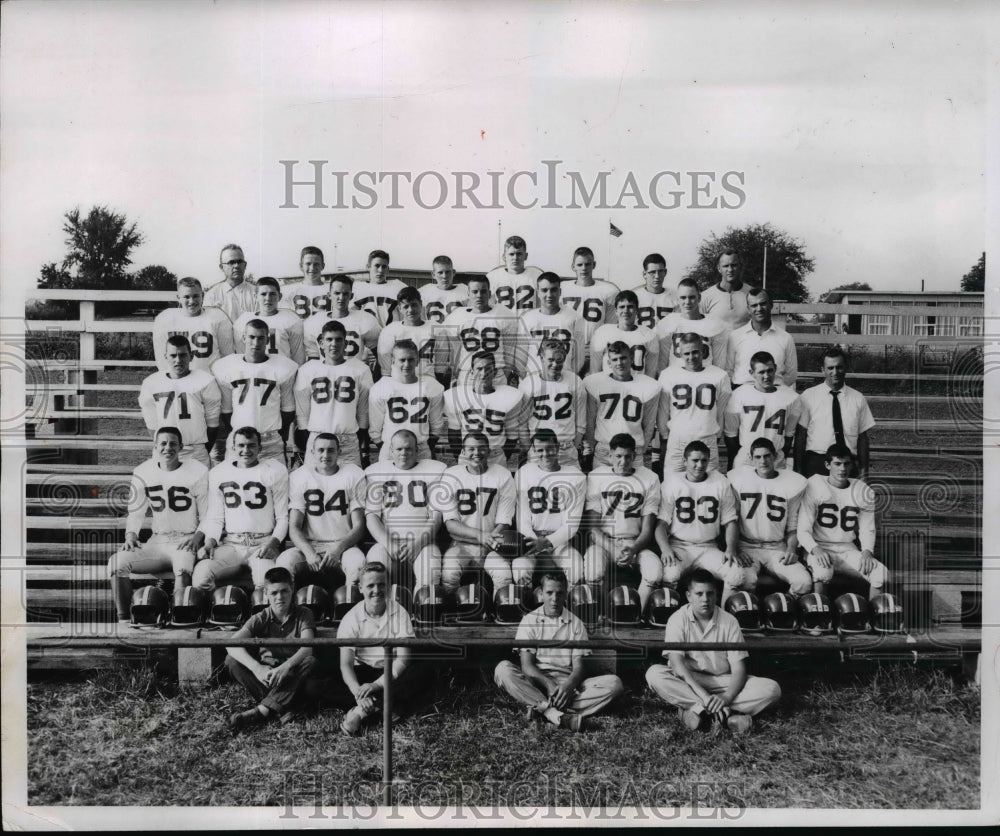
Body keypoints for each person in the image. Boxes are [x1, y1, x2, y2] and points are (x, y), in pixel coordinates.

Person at [645, 568, 781, 735]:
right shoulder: (677, 619)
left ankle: (696, 712)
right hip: (691, 680)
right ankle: (726, 715)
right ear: (688, 596)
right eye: (699, 594)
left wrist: (726, 698)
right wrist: (704, 696)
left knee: (771, 689)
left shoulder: (729, 621)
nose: (705, 599)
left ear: (716, 595)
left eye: (710, 594)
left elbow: (739, 669)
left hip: (723, 681)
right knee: (654, 674)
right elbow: (677, 665)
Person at [494, 570, 625, 732]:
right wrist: (548, 684)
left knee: (614, 684)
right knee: (503, 669)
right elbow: (527, 666)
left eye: (559, 593)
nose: (554, 599)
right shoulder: (529, 620)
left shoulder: (575, 623)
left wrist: (568, 686)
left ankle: (541, 709)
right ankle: (558, 715)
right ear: (541, 593)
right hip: (537, 685)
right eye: (549, 593)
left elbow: (579, 667)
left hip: (567, 687)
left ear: (566, 594)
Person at [107, 427, 208, 623]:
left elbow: (208, 513)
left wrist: (197, 538)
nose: (167, 448)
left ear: (181, 447)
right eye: (163, 443)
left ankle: (180, 619)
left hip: (185, 539)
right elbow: (136, 511)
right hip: (158, 541)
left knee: (183, 567)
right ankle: (125, 620)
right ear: (155, 446)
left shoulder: (197, 471)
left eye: (172, 443)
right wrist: (131, 536)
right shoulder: (143, 471)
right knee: (116, 563)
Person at [335, 563, 429, 735]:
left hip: (391, 672)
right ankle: (385, 707)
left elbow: (403, 659)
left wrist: (375, 685)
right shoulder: (351, 618)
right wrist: (359, 692)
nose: (376, 590)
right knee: (315, 684)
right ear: (361, 587)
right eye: (370, 585)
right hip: (362, 672)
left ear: (388, 585)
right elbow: (345, 665)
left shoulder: (400, 612)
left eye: (381, 584)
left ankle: (360, 712)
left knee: (423, 672)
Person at [193, 426, 289, 594]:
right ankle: (217, 609)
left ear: (260, 447)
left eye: (251, 445)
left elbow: (282, 517)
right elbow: (215, 516)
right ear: (233, 447)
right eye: (241, 445)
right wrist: (210, 542)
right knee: (201, 575)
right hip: (232, 545)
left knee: (265, 584)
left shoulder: (274, 471)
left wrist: (273, 543)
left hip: (262, 543)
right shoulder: (219, 473)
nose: (246, 450)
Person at [225, 566, 318, 731]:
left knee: (310, 662)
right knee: (232, 661)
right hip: (267, 676)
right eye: (274, 593)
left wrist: (285, 667)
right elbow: (231, 644)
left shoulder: (304, 613)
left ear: (292, 590)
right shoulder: (261, 617)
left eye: (284, 591)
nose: (280, 597)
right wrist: (257, 668)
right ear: (266, 594)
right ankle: (286, 705)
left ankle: (262, 711)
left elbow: (308, 648)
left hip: (293, 671)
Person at [654, 441, 747, 603]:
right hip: (680, 546)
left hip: (709, 546)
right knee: (670, 573)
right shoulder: (671, 483)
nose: (699, 465)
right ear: (684, 461)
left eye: (704, 460)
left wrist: (731, 549)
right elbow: (661, 525)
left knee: (736, 573)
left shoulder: (720, 482)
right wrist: (665, 548)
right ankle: (668, 615)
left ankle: (723, 615)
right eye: (695, 460)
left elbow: (730, 521)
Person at [276, 433, 368, 591]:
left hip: (344, 545)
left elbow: (359, 526)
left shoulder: (353, 474)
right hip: (310, 545)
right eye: (321, 450)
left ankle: (348, 608)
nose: (326, 455)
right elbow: (294, 527)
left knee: (357, 563)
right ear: (312, 452)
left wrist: (338, 549)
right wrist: (309, 553)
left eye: (331, 450)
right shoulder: (300, 476)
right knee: (284, 562)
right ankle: (290, 610)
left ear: (339, 452)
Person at [797, 444, 888, 598]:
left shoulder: (862, 490)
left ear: (852, 465)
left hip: (847, 549)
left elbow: (868, 528)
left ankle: (873, 620)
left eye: (846, 464)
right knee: (822, 572)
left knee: (881, 574)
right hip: (820, 546)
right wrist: (815, 549)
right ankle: (821, 618)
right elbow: (803, 529)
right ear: (827, 465)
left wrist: (867, 551)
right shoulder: (815, 485)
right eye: (837, 464)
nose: (842, 469)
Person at [582, 433, 661, 611]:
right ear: (610, 456)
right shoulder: (597, 476)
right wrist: (613, 548)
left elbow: (648, 529)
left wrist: (633, 549)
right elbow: (593, 529)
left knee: (654, 572)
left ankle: (636, 612)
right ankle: (603, 612)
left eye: (627, 456)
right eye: (618, 456)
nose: (623, 462)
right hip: (604, 542)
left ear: (635, 456)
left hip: (636, 543)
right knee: (593, 572)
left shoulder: (649, 478)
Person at [727, 438, 811, 597]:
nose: (763, 461)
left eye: (767, 456)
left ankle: (782, 610)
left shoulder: (792, 483)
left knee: (803, 582)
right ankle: (747, 616)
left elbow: (793, 526)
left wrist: (791, 548)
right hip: (747, 546)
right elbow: (733, 519)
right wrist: (736, 548)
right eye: (757, 457)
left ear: (776, 456)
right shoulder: (739, 480)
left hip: (777, 547)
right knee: (744, 579)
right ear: (751, 459)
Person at [364, 430, 447, 590]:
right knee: (375, 572)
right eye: (399, 449)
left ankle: (421, 614)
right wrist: (389, 544)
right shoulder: (376, 473)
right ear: (391, 451)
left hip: (423, 543)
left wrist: (418, 543)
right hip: (386, 543)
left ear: (417, 450)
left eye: (409, 449)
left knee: (429, 575)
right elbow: (372, 517)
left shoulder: (434, 471)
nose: (404, 453)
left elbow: (436, 516)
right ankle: (384, 613)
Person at [439, 432, 519, 592]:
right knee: (449, 574)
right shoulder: (451, 475)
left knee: (504, 576)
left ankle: (499, 611)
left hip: (493, 543)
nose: (477, 453)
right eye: (471, 449)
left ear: (489, 451)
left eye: (482, 448)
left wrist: (488, 544)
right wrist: (480, 536)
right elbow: (451, 524)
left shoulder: (503, 475)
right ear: (463, 452)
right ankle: (452, 612)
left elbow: (504, 521)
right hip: (460, 543)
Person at [211, 319, 298, 465]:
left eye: (261, 337)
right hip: (239, 438)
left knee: (275, 482)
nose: (256, 342)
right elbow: (226, 410)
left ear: (267, 339)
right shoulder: (227, 367)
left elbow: (288, 409)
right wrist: (239, 430)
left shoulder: (284, 367)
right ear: (244, 337)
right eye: (251, 337)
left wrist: (277, 433)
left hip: (270, 439)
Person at [293, 319, 373, 469]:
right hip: (318, 437)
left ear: (346, 343)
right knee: (316, 485)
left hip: (347, 439)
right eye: (329, 339)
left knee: (350, 485)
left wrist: (359, 440)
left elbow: (363, 412)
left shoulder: (361, 370)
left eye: (338, 339)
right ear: (321, 343)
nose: (334, 344)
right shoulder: (307, 370)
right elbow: (302, 413)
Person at [514, 430, 587, 586]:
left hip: (560, 541)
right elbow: (523, 518)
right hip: (530, 540)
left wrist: (547, 542)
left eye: (549, 448)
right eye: (540, 450)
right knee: (520, 569)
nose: (545, 454)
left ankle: (567, 606)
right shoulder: (524, 472)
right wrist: (535, 543)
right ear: (533, 450)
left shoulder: (576, 476)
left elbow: (571, 526)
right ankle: (525, 607)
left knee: (576, 568)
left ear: (558, 447)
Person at [138, 335, 221, 468]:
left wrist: (203, 449)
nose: (178, 360)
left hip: (195, 450)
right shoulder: (151, 383)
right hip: (166, 450)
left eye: (183, 355)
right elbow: (152, 425)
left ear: (191, 355)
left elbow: (213, 424)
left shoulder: (205, 381)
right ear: (165, 357)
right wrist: (163, 446)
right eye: (173, 356)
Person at [794, 348, 875, 480]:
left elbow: (863, 439)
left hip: (847, 464)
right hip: (816, 463)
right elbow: (800, 436)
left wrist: (864, 473)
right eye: (830, 368)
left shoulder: (857, 398)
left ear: (846, 368)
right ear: (822, 369)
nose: (835, 372)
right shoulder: (808, 396)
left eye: (839, 367)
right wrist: (798, 470)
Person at [656, 333, 731, 474]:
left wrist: (716, 435)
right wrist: (665, 437)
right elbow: (663, 411)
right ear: (680, 353)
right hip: (678, 439)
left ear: (703, 350)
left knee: (709, 486)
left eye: (695, 352)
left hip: (707, 438)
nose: (691, 357)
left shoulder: (720, 375)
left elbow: (720, 411)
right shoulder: (668, 375)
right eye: (687, 353)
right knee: (672, 485)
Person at [584, 341, 660, 468]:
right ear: (609, 363)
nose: (619, 363)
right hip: (605, 449)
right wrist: (593, 446)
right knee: (603, 487)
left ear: (631, 359)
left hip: (633, 450)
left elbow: (649, 424)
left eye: (623, 358)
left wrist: (641, 448)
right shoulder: (596, 383)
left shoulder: (647, 385)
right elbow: (590, 421)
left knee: (634, 488)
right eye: (615, 359)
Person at [444, 350, 525, 468]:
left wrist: (503, 455)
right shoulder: (457, 396)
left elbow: (512, 436)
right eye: (479, 368)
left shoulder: (509, 397)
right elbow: (454, 434)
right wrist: (461, 456)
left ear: (495, 372)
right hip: (468, 456)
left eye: (488, 368)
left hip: (496, 456)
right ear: (471, 372)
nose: (484, 373)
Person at [368, 340, 446, 462]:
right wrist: (388, 446)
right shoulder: (381, 387)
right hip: (391, 448)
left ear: (417, 360)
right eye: (402, 360)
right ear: (393, 360)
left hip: (420, 448)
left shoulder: (431, 386)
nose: (407, 364)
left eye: (410, 359)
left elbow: (436, 425)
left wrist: (424, 445)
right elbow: (375, 429)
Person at [723, 351, 801, 471]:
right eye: (761, 372)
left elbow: (789, 435)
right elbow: (731, 435)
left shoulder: (791, 397)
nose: (766, 376)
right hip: (747, 459)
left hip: (775, 459)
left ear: (775, 368)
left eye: (769, 370)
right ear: (752, 373)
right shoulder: (739, 395)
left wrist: (775, 453)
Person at [518, 339, 586, 468]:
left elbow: (581, 423)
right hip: (539, 450)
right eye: (551, 360)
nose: (555, 364)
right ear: (541, 357)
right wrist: (529, 448)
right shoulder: (528, 384)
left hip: (566, 449)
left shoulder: (575, 381)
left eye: (559, 361)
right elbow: (522, 424)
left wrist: (574, 447)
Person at [442, 274, 519, 387]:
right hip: (468, 373)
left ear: (489, 293)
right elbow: (455, 350)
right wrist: (456, 373)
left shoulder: (503, 314)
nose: (479, 295)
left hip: (496, 373)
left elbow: (509, 351)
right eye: (475, 292)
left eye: (483, 291)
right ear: (468, 294)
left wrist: (506, 374)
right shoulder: (457, 317)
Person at [152, 277, 234, 373]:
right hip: (178, 380)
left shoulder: (218, 318)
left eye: (195, 296)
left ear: (202, 295)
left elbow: (227, 357)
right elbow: (162, 360)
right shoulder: (165, 320)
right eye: (186, 297)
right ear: (178, 298)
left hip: (209, 380)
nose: (191, 301)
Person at [516, 271, 586, 378]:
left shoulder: (574, 318)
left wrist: (570, 376)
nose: (549, 295)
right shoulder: (527, 319)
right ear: (538, 292)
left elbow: (579, 356)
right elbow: (520, 356)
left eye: (553, 290)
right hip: (535, 378)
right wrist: (526, 378)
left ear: (560, 291)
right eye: (544, 290)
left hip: (563, 378)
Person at [724, 287, 797, 388]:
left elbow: (791, 375)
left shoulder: (786, 338)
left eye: (763, 304)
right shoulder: (735, 336)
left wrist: (771, 390)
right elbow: (728, 371)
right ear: (748, 309)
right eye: (754, 305)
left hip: (774, 395)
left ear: (771, 305)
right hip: (743, 395)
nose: (759, 309)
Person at [303, 274, 380, 367]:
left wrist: (374, 377)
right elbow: (313, 359)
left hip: (355, 376)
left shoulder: (365, 320)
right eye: (337, 293)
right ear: (329, 295)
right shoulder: (315, 322)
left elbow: (381, 355)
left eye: (345, 293)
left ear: (351, 296)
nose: (341, 297)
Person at [655, 279, 729, 371]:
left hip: (705, 379)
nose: (687, 302)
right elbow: (662, 361)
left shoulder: (715, 324)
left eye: (692, 297)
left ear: (699, 298)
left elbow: (719, 363)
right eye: (683, 298)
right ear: (677, 299)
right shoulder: (668, 323)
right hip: (677, 380)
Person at [232, 277, 306, 365]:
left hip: (282, 371)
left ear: (280, 296)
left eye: (272, 294)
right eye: (263, 294)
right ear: (255, 296)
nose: (268, 298)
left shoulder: (291, 321)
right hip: (255, 372)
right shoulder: (243, 321)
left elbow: (298, 357)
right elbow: (241, 356)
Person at [560, 246, 620, 354]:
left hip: (597, 348)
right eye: (580, 264)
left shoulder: (609, 291)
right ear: (573, 266)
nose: (584, 268)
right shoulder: (562, 289)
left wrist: (599, 344)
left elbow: (611, 327)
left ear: (594, 265)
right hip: (568, 347)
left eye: (587, 264)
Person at [376, 286, 441, 382]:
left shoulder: (436, 328)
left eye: (414, 305)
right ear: (399, 309)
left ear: (421, 304)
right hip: (399, 383)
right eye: (406, 306)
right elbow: (386, 370)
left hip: (428, 383)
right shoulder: (390, 330)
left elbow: (440, 367)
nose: (410, 310)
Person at [589, 290, 659, 378]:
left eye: (630, 307)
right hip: (609, 386)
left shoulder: (649, 335)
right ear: (616, 311)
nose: (626, 310)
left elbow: (650, 373)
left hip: (638, 387)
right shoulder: (603, 332)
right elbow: (595, 371)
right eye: (622, 307)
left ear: (637, 310)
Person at [351, 249, 407, 327]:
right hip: (366, 337)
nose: (380, 270)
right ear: (368, 267)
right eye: (377, 266)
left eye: (384, 267)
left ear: (388, 269)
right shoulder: (357, 288)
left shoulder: (399, 287)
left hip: (392, 336)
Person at [487, 235, 543, 312]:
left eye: (519, 254)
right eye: (511, 254)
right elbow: (489, 306)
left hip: (529, 322)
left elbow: (542, 305)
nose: (515, 258)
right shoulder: (493, 277)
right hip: (503, 322)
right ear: (504, 257)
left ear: (526, 256)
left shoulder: (537, 275)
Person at [204, 244, 257, 323]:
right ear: (221, 267)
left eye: (239, 262)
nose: (236, 266)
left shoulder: (256, 293)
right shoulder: (212, 295)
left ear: (245, 265)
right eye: (231, 262)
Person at [699, 249, 752, 329]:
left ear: (740, 266)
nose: (730, 270)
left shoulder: (752, 294)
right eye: (726, 266)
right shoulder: (705, 297)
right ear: (719, 268)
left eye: (734, 265)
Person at [281, 245, 331, 320]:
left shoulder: (332, 289)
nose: (312, 268)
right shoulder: (289, 291)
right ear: (301, 266)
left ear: (323, 266)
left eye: (316, 264)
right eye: (308, 264)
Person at [420, 255, 468, 325]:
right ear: (433, 274)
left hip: (457, 334)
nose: (444, 276)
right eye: (440, 272)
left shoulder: (465, 291)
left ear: (453, 272)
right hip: (432, 333)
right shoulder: (424, 292)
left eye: (447, 272)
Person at [632, 253, 675, 330]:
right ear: (644, 274)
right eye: (652, 272)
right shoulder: (635, 297)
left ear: (665, 272)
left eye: (660, 271)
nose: (657, 276)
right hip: (642, 341)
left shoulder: (676, 296)